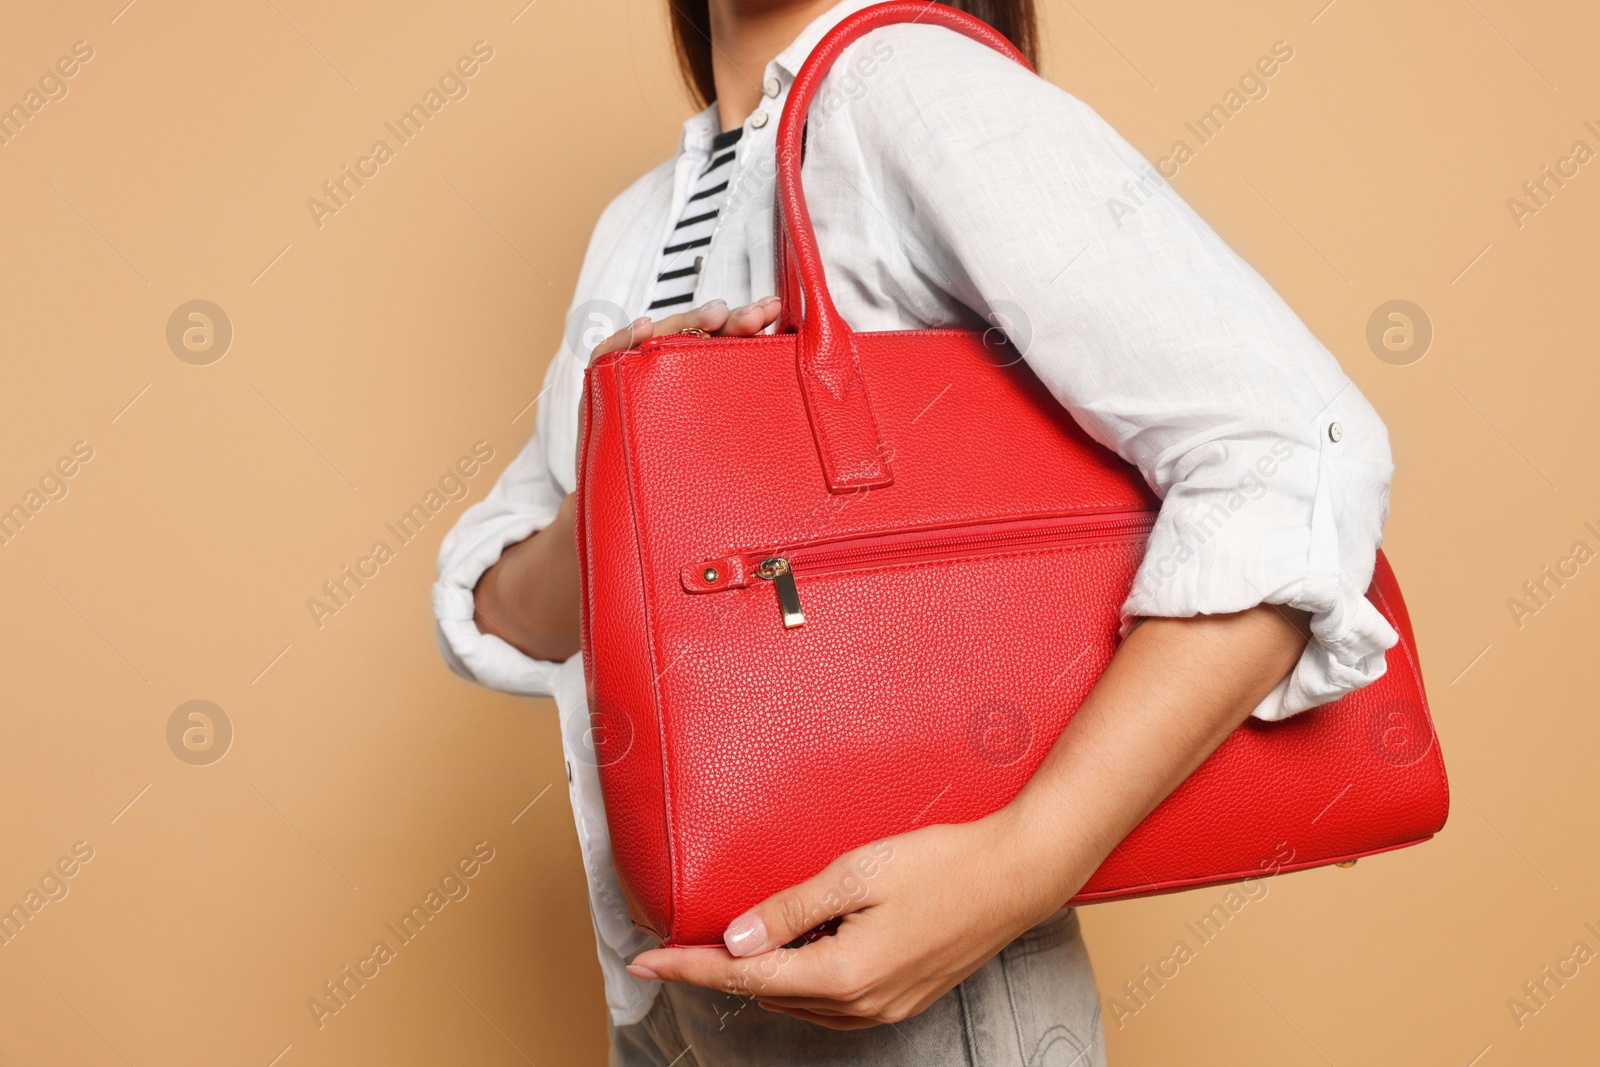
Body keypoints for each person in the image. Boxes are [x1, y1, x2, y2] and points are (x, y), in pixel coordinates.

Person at [434, 1, 1398, 1062]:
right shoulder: (640, 218)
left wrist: (1018, 867)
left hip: (916, 989)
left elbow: (1296, 452)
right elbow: (502, 615)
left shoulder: (905, 89)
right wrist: (648, 461)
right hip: (669, 1005)